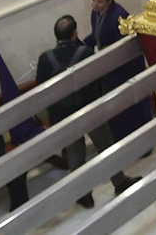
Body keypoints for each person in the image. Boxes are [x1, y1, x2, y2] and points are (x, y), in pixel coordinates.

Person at [35, 16, 135, 208]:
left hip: (63, 116)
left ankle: (83, 194)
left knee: (75, 153)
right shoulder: (85, 53)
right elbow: (97, 80)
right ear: (75, 33)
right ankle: (119, 181)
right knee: (105, 146)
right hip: (89, 110)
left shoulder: (45, 59)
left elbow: (42, 89)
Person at [88, 0, 151, 144]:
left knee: (129, 107)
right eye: (93, 0)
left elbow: (127, 45)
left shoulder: (119, 15)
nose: (95, 5)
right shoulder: (95, 14)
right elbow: (96, 34)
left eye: (100, 2)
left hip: (123, 69)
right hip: (108, 68)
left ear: (110, 1)